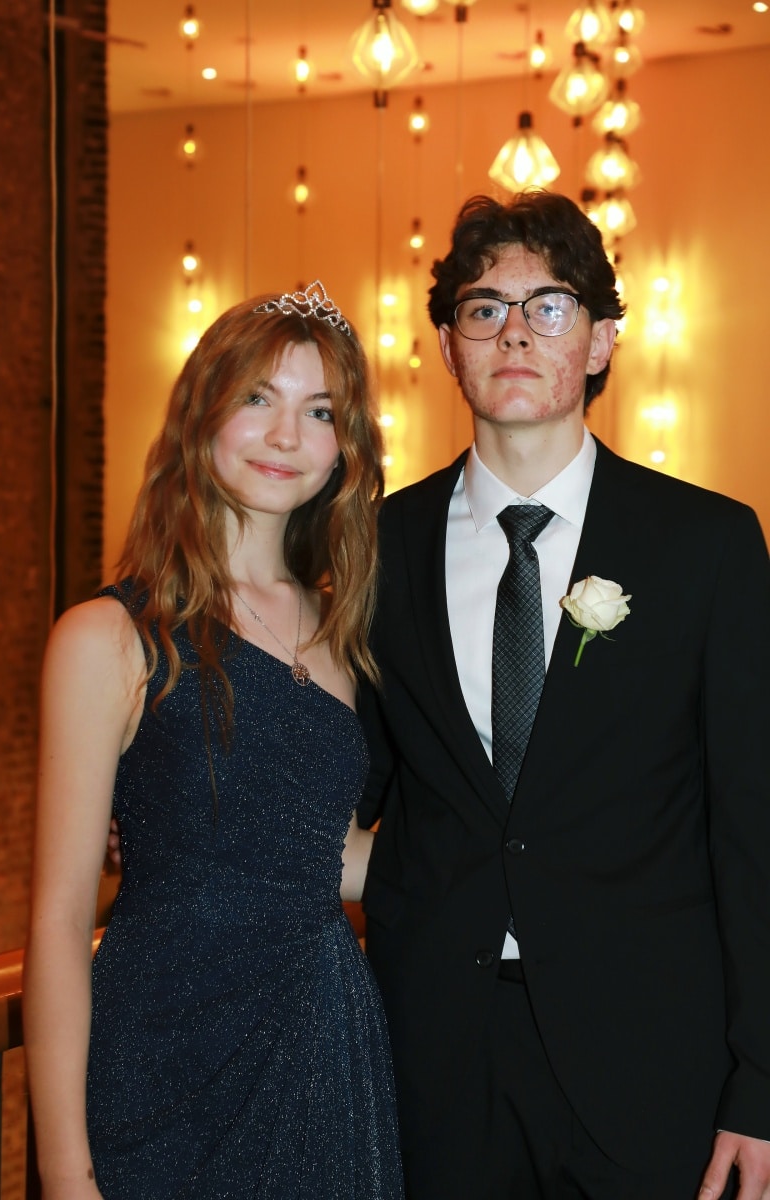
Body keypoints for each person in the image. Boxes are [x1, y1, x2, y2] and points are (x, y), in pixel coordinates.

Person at [357, 192, 770, 1200]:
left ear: (599, 341)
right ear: (447, 348)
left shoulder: (707, 545)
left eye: (548, 307)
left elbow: (752, 830)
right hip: (435, 1058)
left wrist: (760, 1081)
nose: (514, 333)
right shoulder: (374, 546)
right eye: (482, 308)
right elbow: (351, 780)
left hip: (652, 1064)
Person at [24, 283, 404, 1200]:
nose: (286, 436)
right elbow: (59, 921)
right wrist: (67, 1174)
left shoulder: (346, 634)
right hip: (160, 1056)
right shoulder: (109, 637)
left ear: (346, 445)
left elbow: (325, 856)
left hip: (320, 1053)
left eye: (320, 411)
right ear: (203, 413)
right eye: (258, 398)